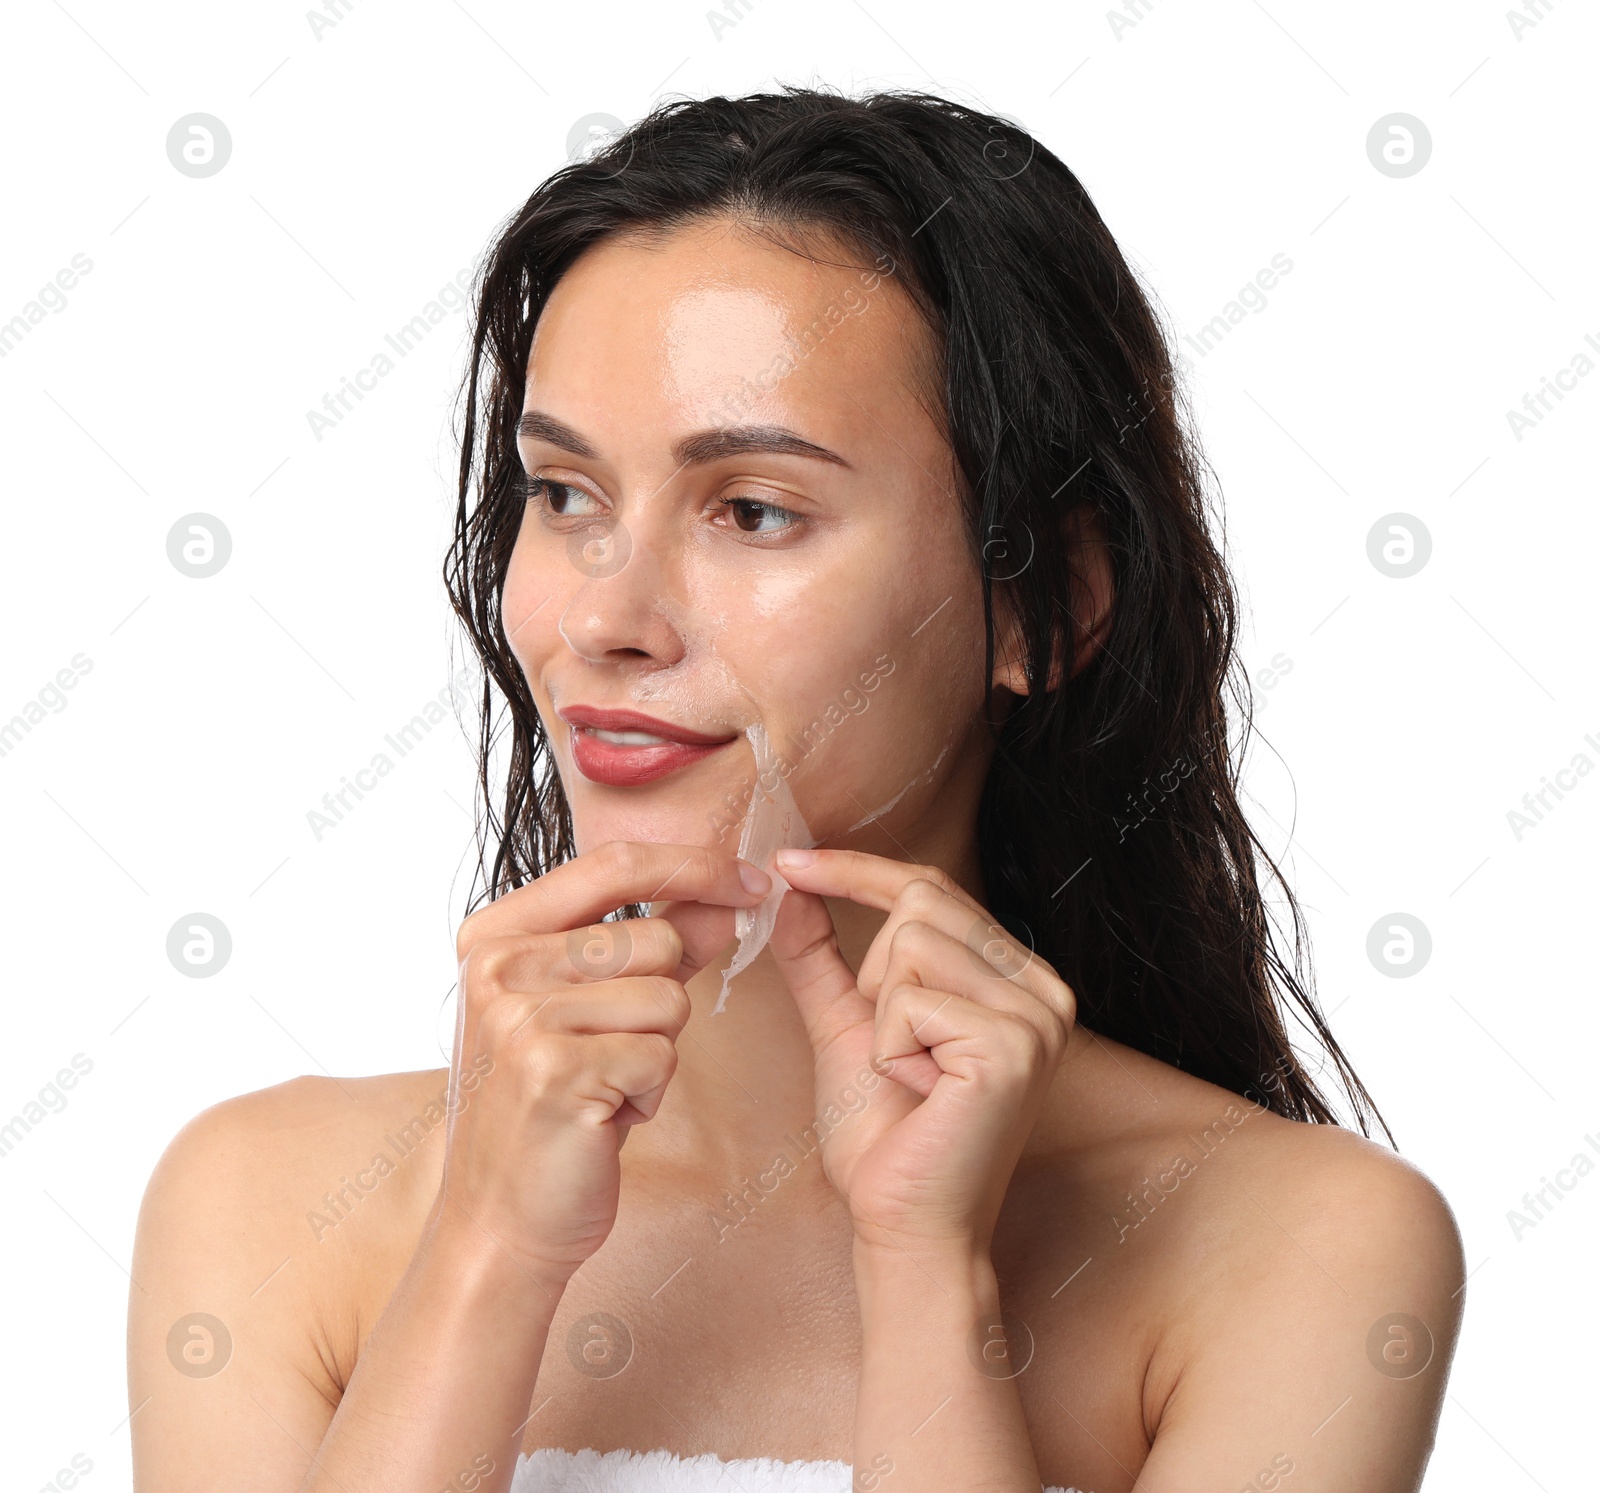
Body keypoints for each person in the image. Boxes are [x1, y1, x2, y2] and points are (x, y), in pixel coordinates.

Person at [128, 87, 1464, 1493]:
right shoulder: (264, 1200)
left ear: (1047, 607)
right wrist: (488, 1252)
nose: (604, 618)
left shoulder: (1303, 1247)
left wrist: (924, 1275)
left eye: (752, 509)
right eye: (565, 494)